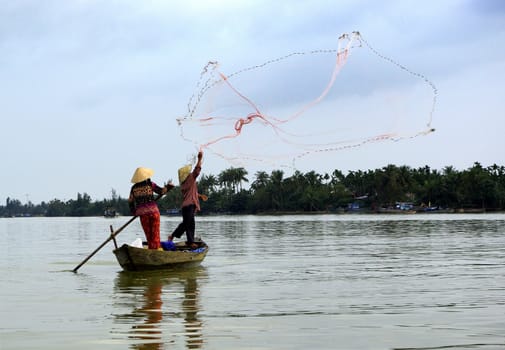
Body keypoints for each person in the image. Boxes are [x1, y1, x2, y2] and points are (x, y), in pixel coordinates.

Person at [129, 167, 174, 250]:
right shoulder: (150, 184)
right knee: (155, 235)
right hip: (154, 212)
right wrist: (168, 187)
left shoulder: (134, 188)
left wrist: (134, 212)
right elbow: (161, 191)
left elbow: (131, 201)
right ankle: (156, 250)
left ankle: (152, 250)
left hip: (143, 215)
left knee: (149, 236)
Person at [168, 151, 203, 249]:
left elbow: (190, 192)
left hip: (186, 206)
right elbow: (197, 170)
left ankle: (177, 237)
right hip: (189, 205)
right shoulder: (190, 178)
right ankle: (189, 241)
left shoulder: (184, 183)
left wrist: (199, 196)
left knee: (186, 223)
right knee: (189, 224)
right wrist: (200, 159)